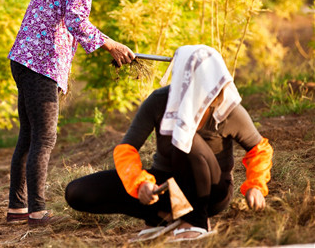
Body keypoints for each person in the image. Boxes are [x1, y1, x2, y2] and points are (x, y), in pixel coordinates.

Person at [65, 45, 274, 241]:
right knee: (78, 192)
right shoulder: (159, 101)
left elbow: (259, 149)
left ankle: (195, 221)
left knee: (185, 134)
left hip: (210, 192)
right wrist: (141, 183)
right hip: (166, 189)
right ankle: (164, 217)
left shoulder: (227, 108)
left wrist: (255, 186)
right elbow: (126, 149)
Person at [6, 0, 136, 227]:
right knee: (45, 137)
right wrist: (110, 44)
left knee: (29, 136)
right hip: (40, 63)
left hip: (23, 59)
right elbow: (77, 20)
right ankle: (36, 212)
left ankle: (17, 209)